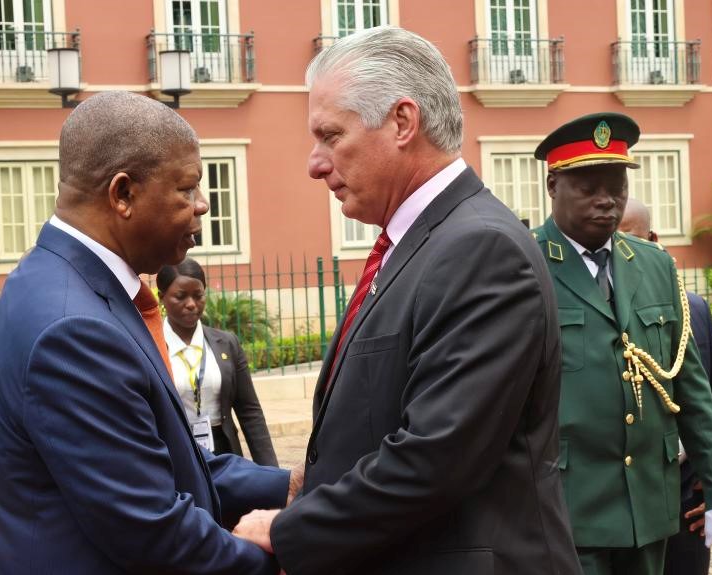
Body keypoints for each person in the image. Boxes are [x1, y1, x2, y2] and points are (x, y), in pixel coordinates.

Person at [233, 26, 580, 575]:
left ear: (401, 122)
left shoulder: (479, 248)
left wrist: (287, 531)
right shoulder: (422, 243)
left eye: (330, 135)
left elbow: (436, 455)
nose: (315, 163)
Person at [0, 91, 295, 574]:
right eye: (187, 189)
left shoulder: (75, 287)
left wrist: (288, 487)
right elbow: (149, 525)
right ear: (123, 194)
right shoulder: (73, 330)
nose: (203, 206)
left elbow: (168, 461)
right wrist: (285, 562)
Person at [531, 112, 712, 575]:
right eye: (589, 188)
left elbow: (691, 389)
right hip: (567, 508)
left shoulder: (654, 266)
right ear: (553, 186)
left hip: (649, 506)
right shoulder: (522, 265)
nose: (606, 201)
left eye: (616, 188)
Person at [618, 198, 712, 575]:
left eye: (629, 238)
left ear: (654, 240)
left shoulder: (692, 308)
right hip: (625, 493)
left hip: (686, 496)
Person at [157, 258, 278, 465]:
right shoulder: (151, 346)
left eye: (198, 296)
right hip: (174, 453)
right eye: (180, 296)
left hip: (222, 451)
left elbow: (249, 412)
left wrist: (273, 472)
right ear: (162, 298)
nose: (191, 304)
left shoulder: (227, 344)